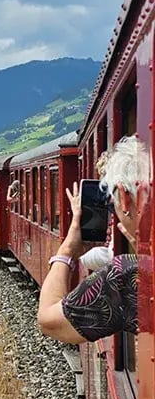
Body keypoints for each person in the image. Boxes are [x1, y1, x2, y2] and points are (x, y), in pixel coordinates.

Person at [37, 136, 147, 343]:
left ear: (124, 198)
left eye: (110, 201)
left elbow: (49, 321)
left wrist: (66, 251)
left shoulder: (128, 276)